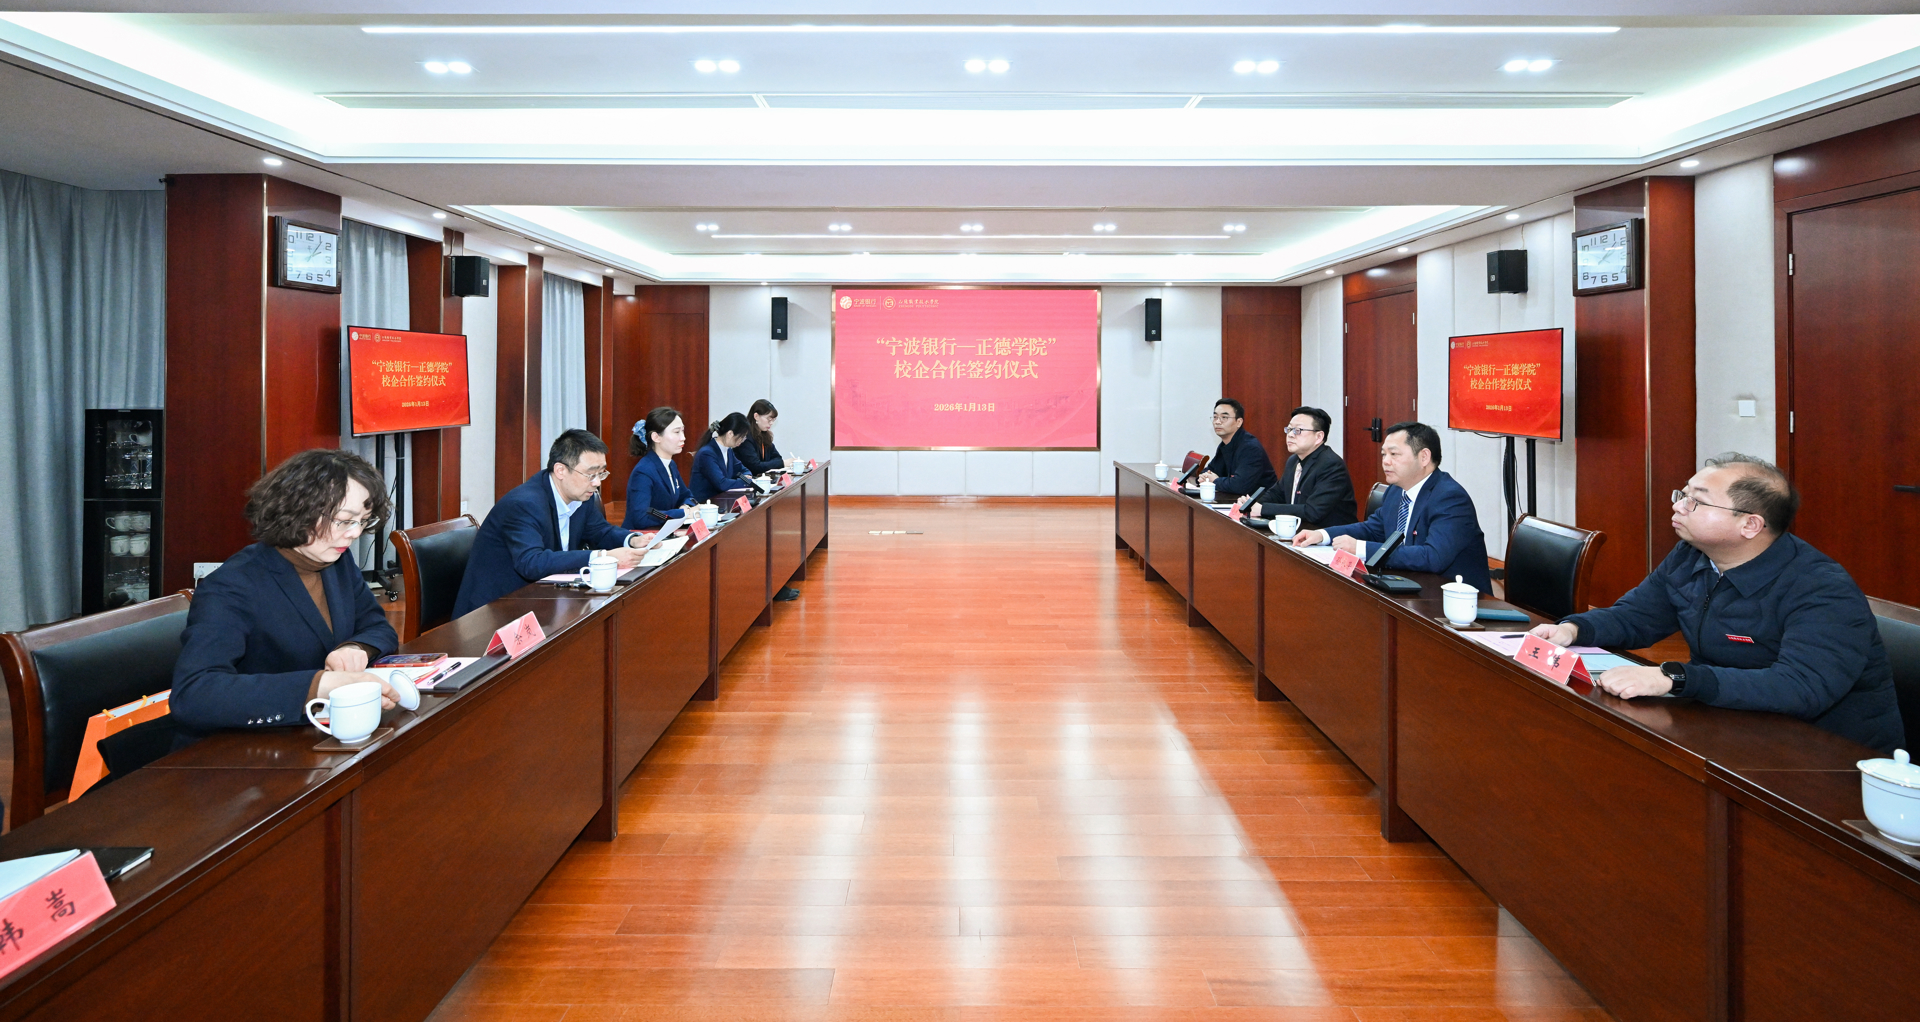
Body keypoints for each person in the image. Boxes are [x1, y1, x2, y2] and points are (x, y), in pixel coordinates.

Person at [1529, 453, 1904, 752]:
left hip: (1828, 758)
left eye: (1697, 502)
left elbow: (1800, 688)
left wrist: (1676, 678)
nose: (1679, 507)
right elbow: (1638, 616)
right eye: (1682, 495)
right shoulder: (1692, 554)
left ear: (1750, 525)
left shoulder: (1821, 588)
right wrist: (1574, 629)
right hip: (1732, 725)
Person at [171, 449, 404, 745]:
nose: (355, 533)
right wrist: (319, 685)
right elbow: (194, 694)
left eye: (362, 521)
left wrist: (355, 647)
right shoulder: (233, 585)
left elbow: (377, 626)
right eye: (344, 520)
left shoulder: (335, 561)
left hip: (314, 738)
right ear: (299, 510)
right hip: (240, 751)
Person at [453, 429, 644, 617]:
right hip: (495, 611)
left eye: (601, 473)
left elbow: (600, 531)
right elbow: (531, 562)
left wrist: (633, 539)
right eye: (590, 474)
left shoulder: (580, 496)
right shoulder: (523, 504)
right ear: (561, 470)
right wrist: (601, 557)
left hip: (544, 599)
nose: (597, 483)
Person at [1292, 421, 1492, 592]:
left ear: (1424, 457)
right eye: (1383, 454)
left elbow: (1432, 557)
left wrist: (1360, 548)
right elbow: (1373, 529)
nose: (1386, 462)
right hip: (1408, 585)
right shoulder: (1396, 491)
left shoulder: (1449, 498)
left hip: (1452, 599)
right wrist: (1323, 535)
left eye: (1394, 454)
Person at [1244, 406, 1358, 528]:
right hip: (1301, 530)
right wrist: (1251, 504)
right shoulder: (1293, 461)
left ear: (1319, 437)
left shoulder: (1331, 465)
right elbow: (1277, 494)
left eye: (1297, 430)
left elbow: (1312, 512)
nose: (1290, 435)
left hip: (1332, 535)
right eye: (1289, 429)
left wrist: (1263, 509)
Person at [624, 406, 698, 528]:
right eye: (677, 432)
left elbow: (686, 496)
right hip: (642, 535)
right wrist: (682, 513)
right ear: (656, 437)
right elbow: (641, 517)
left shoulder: (671, 464)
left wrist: (686, 506)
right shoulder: (643, 471)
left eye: (683, 431)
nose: (683, 438)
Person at [1196, 398, 1275, 499]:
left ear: (1239, 422)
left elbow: (1239, 485)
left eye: (1224, 417)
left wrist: (1214, 481)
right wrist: (1205, 477)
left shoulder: (1250, 448)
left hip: (1258, 503)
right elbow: (1209, 471)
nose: (1217, 422)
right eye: (1215, 417)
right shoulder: (1225, 445)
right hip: (1235, 500)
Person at [691, 411, 756, 502]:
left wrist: (746, 477)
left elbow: (743, 470)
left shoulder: (728, 450)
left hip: (721, 500)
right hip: (705, 504)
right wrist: (746, 482)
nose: (742, 441)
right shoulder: (707, 453)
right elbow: (721, 484)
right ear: (730, 434)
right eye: (742, 437)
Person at [738, 399, 785, 476]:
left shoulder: (764, 435)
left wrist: (777, 463)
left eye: (773, 420)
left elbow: (777, 458)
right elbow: (756, 467)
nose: (771, 423)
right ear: (756, 416)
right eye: (769, 419)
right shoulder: (744, 438)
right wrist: (782, 463)